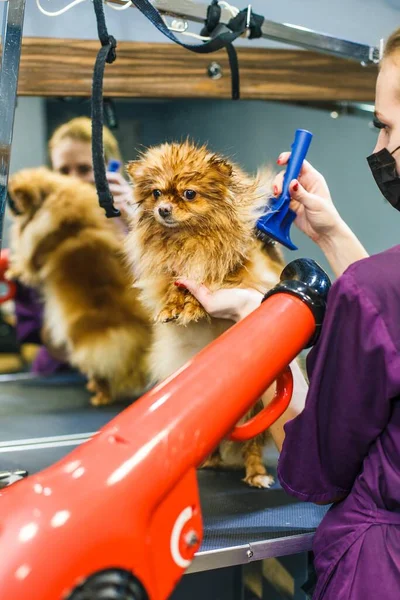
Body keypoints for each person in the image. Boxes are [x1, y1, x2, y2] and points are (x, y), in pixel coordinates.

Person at [177, 27, 400, 600]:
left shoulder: (375, 293)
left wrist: (259, 315)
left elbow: (314, 471)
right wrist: (333, 235)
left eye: (387, 125)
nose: (378, 148)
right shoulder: (379, 291)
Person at [13, 116, 133, 376]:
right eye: (63, 171)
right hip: (63, 373)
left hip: (134, 369)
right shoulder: (40, 234)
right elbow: (47, 336)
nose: (74, 180)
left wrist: (133, 227)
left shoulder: (142, 224)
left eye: (84, 168)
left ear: (111, 170)